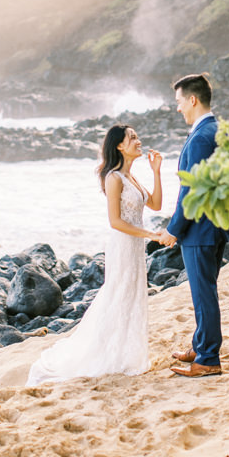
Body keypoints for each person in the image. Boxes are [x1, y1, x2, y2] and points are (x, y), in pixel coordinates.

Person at [27, 124, 166, 385]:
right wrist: (152, 235)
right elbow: (115, 221)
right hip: (124, 245)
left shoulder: (132, 177)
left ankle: (125, 353)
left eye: (137, 136)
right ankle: (107, 354)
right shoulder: (114, 178)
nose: (138, 140)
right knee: (118, 294)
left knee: (132, 295)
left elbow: (156, 204)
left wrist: (157, 172)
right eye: (132, 137)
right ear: (119, 146)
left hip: (134, 245)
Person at [159, 72, 229, 378]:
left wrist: (174, 229)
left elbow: (191, 189)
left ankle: (208, 359)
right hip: (216, 224)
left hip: (201, 229)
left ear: (193, 99)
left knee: (203, 294)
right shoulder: (217, 130)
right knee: (206, 291)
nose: (178, 109)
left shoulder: (202, 136)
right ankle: (202, 345)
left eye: (179, 102)